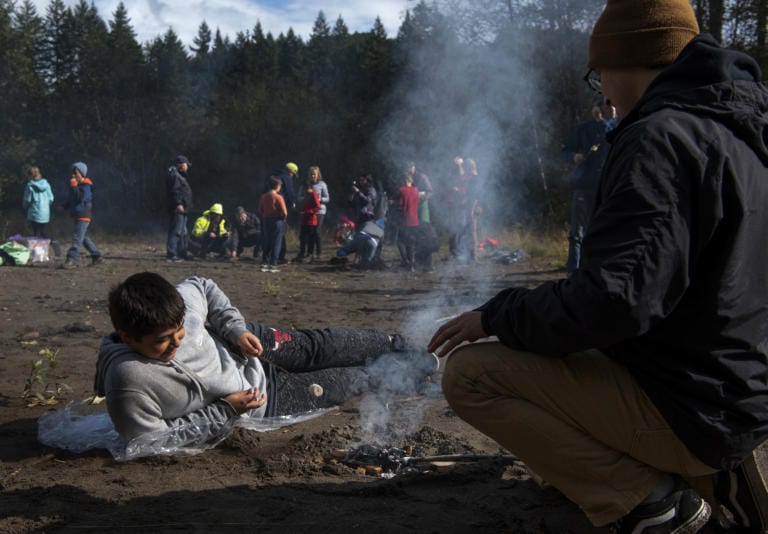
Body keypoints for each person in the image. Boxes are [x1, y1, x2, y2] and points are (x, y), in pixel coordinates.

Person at [429, 1, 768, 532]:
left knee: (473, 374)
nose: (603, 94)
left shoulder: (659, 138)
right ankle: (699, 476)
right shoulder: (738, 134)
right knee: (560, 345)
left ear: (626, 59)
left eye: (599, 75)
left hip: (697, 411)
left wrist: (498, 315)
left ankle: (652, 506)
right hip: (733, 392)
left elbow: (615, 300)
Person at [94, 272, 438, 450]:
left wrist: (235, 328)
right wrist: (226, 411)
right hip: (258, 398)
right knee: (344, 382)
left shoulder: (179, 307)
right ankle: (404, 373)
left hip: (248, 345)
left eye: (179, 332)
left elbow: (202, 285)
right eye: (162, 342)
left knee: (320, 345)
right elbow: (148, 442)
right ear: (128, 337)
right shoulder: (129, 383)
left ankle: (399, 346)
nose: (176, 343)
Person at [561, 100, 614, 275]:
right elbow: (565, 152)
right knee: (577, 233)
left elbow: (613, 139)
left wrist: (610, 120)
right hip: (583, 186)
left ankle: (597, 270)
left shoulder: (615, 128)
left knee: (602, 230)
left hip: (606, 188)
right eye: (599, 107)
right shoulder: (583, 129)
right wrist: (574, 156)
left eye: (606, 108)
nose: (601, 111)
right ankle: (573, 272)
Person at [62, 162, 102, 269]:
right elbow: (72, 199)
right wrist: (64, 206)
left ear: (82, 173)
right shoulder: (77, 186)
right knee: (83, 238)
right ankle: (96, 256)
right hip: (77, 215)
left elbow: (80, 198)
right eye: (72, 173)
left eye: (76, 173)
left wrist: (74, 186)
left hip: (83, 215)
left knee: (77, 238)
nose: (73, 176)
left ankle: (71, 260)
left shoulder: (86, 186)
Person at [22, 165, 61, 257]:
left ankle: (36, 255)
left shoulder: (29, 186)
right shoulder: (46, 184)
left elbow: (27, 200)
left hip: (35, 212)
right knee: (43, 231)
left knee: (36, 233)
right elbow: (51, 198)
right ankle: (54, 242)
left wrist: (25, 207)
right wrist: (46, 206)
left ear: (30, 175)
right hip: (45, 212)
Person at [166, 155, 193, 262]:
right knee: (176, 231)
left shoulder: (178, 175)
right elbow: (175, 191)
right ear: (181, 164)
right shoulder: (175, 176)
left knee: (183, 232)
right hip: (178, 209)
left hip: (184, 209)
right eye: (187, 165)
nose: (188, 167)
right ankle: (171, 254)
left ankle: (182, 253)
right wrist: (178, 204)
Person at [259, 176, 288, 273]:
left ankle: (264, 263)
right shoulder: (278, 197)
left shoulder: (263, 196)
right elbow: (284, 212)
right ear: (277, 186)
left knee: (267, 241)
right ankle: (273, 264)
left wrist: (265, 216)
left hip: (266, 220)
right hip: (277, 220)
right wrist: (282, 218)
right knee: (276, 242)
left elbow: (261, 210)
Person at [394, 173, 420, 271]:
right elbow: (417, 203)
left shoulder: (402, 190)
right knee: (411, 243)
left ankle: (405, 261)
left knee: (400, 241)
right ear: (411, 181)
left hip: (404, 219)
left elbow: (399, 204)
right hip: (414, 219)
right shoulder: (416, 190)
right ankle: (411, 265)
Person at [295, 181, 321, 263]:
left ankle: (310, 253)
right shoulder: (306, 195)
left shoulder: (314, 194)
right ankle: (302, 252)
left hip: (311, 221)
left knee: (311, 238)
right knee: (302, 237)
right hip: (304, 220)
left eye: (303, 189)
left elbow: (318, 207)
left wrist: (308, 212)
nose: (302, 190)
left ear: (308, 188)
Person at [308, 166, 330, 261]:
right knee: (310, 232)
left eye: (315, 174)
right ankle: (310, 253)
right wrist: (305, 199)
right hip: (309, 211)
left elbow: (327, 198)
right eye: (311, 174)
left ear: (318, 175)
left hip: (320, 210)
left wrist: (318, 199)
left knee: (316, 231)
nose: (313, 176)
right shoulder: (306, 184)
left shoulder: (322, 184)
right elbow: (299, 196)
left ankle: (319, 253)